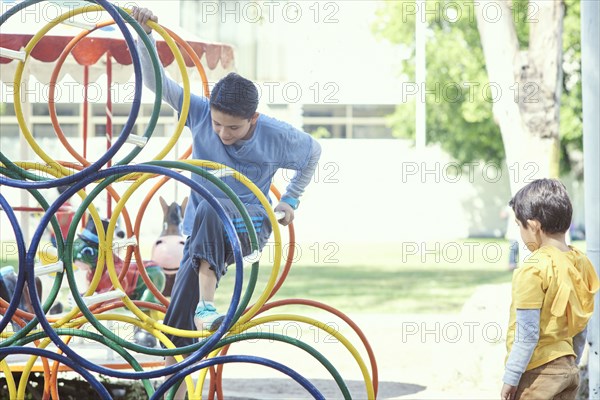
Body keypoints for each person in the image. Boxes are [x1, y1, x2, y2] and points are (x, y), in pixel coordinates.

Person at [131, 5, 321, 390]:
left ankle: (206, 306)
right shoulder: (199, 114)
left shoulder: (277, 135)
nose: (221, 133)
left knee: (210, 206)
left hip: (247, 229)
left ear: (253, 118)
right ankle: (181, 366)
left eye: (232, 127)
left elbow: (313, 153)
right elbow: (156, 81)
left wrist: (291, 201)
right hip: (203, 234)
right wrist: (144, 35)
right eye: (217, 124)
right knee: (174, 328)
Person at [501, 179, 599, 400]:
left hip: (537, 372)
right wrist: (571, 362)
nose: (521, 234)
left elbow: (527, 334)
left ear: (534, 226)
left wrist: (511, 376)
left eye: (520, 226)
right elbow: (581, 323)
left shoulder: (533, 270)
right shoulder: (580, 263)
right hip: (568, 368)